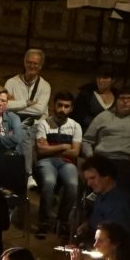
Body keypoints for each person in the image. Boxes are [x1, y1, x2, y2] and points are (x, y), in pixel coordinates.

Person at [82, 88, 130, 189]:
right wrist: (90, 157)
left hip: (129, 161)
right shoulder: (103, 117)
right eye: (122, 98)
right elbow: (87, 140)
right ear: (116, 100)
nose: (125, 101)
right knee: (95, 186)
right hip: (103, 158)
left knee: (121, 189)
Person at [33, 92, 85, 226]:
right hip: (46, 162)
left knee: (73, 185)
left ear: (71, 108)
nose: (62, 109)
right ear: (54, 106)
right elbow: (41, 151)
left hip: (67, 163)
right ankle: (45, 220)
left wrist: (51, 148)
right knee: (48, 182)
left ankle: (62, 220)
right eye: (59, 105)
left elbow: (75, 153)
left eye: (66, 106)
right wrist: (63, 146)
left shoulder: (76, 126)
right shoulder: (43, 124)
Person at [79, 154, 130, 249]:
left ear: (107, 176)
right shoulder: (101, 194)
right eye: (87, 179)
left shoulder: (121, 205)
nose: (89, 183)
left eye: (92, 178)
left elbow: (121, 244)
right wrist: (88, 225)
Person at [3, 48, 53, 126]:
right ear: (24, 63)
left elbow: (39, 110)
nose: (32, 66)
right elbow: (5, 105)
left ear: (40, 66)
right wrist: (26, 103)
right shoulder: (11, 82)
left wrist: (15, 105)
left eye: (35, 63)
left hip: (36, 126)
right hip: (14, 125)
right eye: (29, 62)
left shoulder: (45, 86)